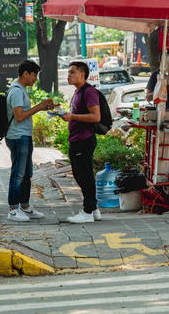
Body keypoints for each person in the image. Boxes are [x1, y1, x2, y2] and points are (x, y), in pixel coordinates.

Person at [5, 60, 56, 222]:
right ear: (25, 74)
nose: (35, 79)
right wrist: (39, 107)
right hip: (18, 137)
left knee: (27, 174)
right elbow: (19, 116)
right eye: (34, 75)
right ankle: (13, 209)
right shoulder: (17, 91)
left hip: (24, 136)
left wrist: (42, 107)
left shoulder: (21, 90)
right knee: (18, 174)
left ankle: (25, 206)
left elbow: (23, 112)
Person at [62, 61, 102, 224]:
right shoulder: (78, 92)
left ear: (82, 74)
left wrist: (73, 117)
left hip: (84, 139)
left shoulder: (89, 91)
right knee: (81, 174)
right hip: (77, 138)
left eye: (72, 72)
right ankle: (93, 209)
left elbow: (95, 117)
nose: (68, 75)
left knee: (84, 175)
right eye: (69, 72)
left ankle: (87, 211)